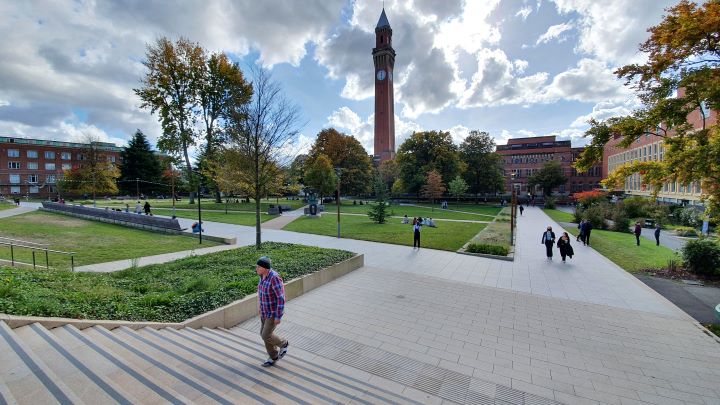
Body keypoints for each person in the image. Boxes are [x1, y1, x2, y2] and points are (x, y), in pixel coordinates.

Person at [256, 256, 288, 367]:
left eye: (259, 266)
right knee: (263, 334)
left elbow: (281, 298)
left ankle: (283, 343)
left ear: (265, 268)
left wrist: (278, 316)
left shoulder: (274, 278)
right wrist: (260, 307)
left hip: (272, 313)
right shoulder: (262, 276)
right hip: (264, 311)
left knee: (266, 335)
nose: (256, 268)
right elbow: (261, 292)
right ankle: (273, 356)